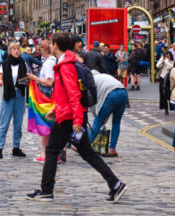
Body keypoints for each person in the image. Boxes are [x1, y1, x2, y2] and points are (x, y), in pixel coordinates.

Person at [26, 33, 127, 204]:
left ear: (56, 45)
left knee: (51, 150)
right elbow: (64, 93)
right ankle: (115, 184)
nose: (49, 45)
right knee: (87, 153)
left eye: (51, 42)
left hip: (69, 118)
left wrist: (77, 121)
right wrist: (56, 110)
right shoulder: (66, 63)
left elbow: (73, 94)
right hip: (67, 114)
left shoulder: (65, 66)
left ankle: (46, 190)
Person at [0, 42, 28, 158]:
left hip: (20, 95)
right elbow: (0, 77)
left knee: (18, 124)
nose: (16, 51)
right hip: (9, 95)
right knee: (4, 123)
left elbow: (27, 78)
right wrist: (0, 81)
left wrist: (27, 82)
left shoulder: (23, 63)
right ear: (9, 51)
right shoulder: (4, 64)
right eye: (13, 49)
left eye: (18, 49)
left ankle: (16, 147)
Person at [26, 40, 57, 163]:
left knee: (45, 124)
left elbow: (49, 82)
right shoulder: (52, 61)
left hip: (46, 96)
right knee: (49, 124)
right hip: (49, 95)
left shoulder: (49, 63)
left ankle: (44, 153)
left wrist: (35, 78)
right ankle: (50, 152)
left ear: (44, 50)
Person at [88, 68, 129, 157]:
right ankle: (112, 149)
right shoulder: (105, 76)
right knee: (116, 122)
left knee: (97, 121)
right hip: (123, 92)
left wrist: (98, 115)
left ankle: (85, 147)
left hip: (111, 95)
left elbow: (92, 102)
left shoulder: (92, 81)